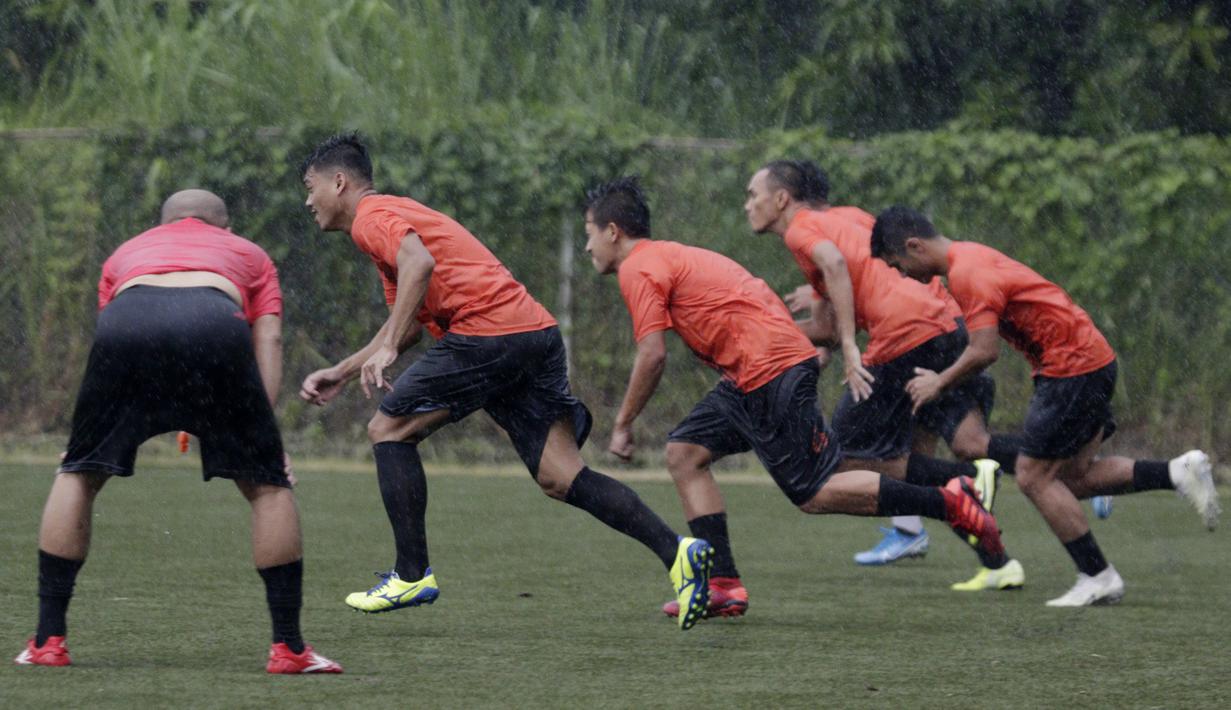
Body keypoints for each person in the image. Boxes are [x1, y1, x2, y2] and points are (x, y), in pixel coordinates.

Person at [296, 134, 713, 630]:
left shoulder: (372, 217)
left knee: (388, 430)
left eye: (310, 186)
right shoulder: (390, 224)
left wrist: (385, 352)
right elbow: (404, 324)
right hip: (533, 333)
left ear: (339, 182)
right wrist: (343, 371)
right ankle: (679, 553)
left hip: (489, 332)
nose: (308, 201)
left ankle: (411, 574)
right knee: (562, 475)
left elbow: (419, 264)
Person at [583, 176, 1005, 620]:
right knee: (684, 453)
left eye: (589, 234)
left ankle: (950, 502)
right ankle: (724, 586)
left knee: (815, 493)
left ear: (613, 231)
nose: (588, 247)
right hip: (752, 375)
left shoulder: (639, 267)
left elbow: (652, 355)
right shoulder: (671, 255)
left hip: (768, 373)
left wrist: (623, 422)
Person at [13, 190, 341, 673]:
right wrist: (263, 439)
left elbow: (118, 330)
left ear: (162, 224)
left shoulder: (126, 252)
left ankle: (47, 641)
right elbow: (267, 336)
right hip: (213, 319)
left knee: (78, 473)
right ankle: (289, 650)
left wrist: (88, 434)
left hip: (127, 322)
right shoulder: (248, 253)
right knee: (268, 487)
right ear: (223, 227)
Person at [870, 205, 1220, 606]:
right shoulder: (969, 258)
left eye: (898, 264)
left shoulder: (968, 272)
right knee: (1072, 479)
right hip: (1088, 361)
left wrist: (939, 382)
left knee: (1033, 477)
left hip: (1071, 368)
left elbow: (984, 351)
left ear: (914, 245)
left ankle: (1097, 576)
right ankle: (1177, 471)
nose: (902, 275)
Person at [747, 161, 1024, 592]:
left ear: (781, 199)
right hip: (947, 324)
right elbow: (845, 297)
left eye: (753, 194)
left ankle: (965, 484)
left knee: (838, 459)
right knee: (940, 446)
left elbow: (837, 269)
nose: (748, 204)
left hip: (904, 337)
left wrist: (838, 342)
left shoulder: (801, 230)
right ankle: (1003, 551)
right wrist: (786, 330)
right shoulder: (848, 216)